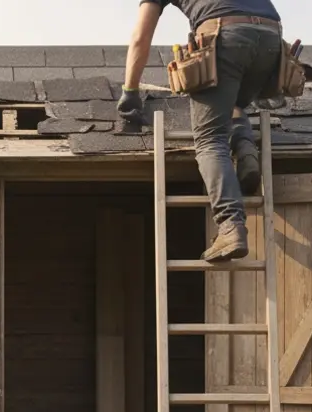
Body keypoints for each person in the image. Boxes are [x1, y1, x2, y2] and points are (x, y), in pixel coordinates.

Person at [119, 0, 284, 261]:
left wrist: (130, 91)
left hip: (227, 34)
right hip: (271, 38)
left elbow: (141, 37)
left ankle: (230, 225)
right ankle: (245, 151)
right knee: (234, 101)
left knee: (210, 138)